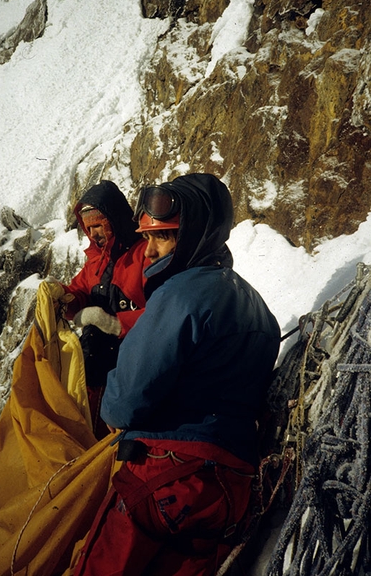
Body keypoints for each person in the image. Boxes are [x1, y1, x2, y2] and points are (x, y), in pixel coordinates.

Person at [73, 173, 281, 575]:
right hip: (230, 490)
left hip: (162, 477)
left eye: (162, 237)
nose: (148, 251)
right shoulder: (259, 309)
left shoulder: (178, 296)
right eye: (147, 237)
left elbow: (121, 405)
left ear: (194, 234)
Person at [59, 180, 149, 439]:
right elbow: (78, 291)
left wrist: (112, 323)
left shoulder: (144, 253)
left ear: (115, 218)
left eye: (99, 225)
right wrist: (63, 298)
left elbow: (163, 313)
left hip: (129, 371)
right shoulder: (95, 262)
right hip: (96, 367)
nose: (94, 233)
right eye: (89, 228)